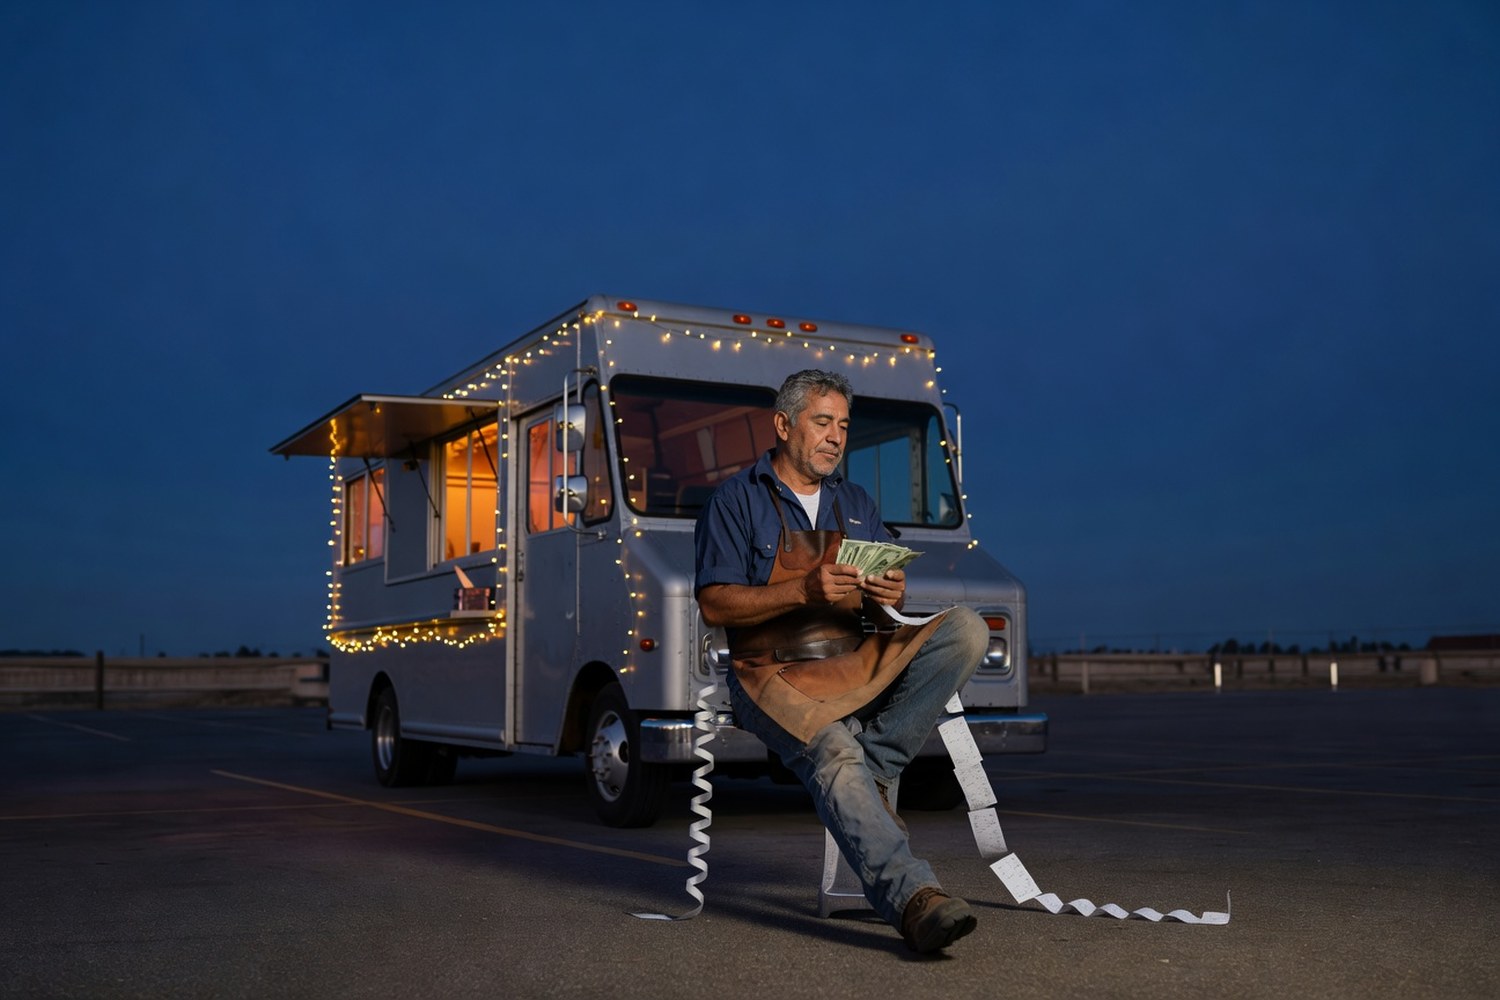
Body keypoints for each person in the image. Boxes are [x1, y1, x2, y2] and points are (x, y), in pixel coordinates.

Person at [694, 369, 989, 953]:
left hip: (853, 658)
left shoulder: (854, 501)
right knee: (832, 747)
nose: (835, 437)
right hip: (771, 673)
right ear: (783, 425)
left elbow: (887, 594)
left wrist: (891, 592)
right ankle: (913, 899)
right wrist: (802, 590)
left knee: (966, 629)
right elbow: (713, 603)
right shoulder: (735, 499)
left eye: (843, 425)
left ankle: (876, 763)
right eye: (822, 422)